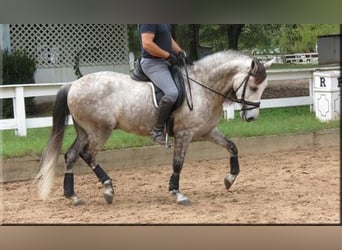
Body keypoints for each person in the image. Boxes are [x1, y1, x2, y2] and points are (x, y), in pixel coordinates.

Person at [138, 24, 186, 145]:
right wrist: (168, 55)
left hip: (164, 62)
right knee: (172, 93)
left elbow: (168, 38)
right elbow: (147, 44)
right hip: (153, 63)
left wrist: (179, 51)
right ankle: (157, 131)